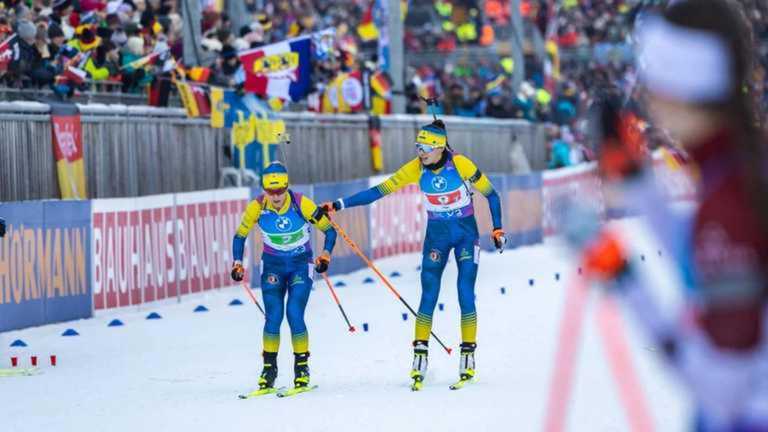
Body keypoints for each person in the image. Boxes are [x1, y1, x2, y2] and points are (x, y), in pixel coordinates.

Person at [578, 0, 768, 429]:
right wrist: (636, 177)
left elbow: (720, 391)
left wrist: (624, 281)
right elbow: (696, 251)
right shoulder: (739, 166)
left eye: (653, 85)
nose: (647, 101)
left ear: (681, 87)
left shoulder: (730, 201)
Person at [321, 119, 505, 390]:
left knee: (465, 292)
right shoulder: (415, 168)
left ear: (439, 147)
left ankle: (468, 356)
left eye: (425, 147)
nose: (420, 152)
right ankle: (419, 358)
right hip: (436, 238)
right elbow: (378, 191)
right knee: (428, 295)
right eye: (417, 146)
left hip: (466, 235)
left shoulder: (461, 164)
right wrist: (338, 204)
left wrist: (498, 228)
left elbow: (492, 195)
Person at [230, 161, 337, 395]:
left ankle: (302, 369)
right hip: (272, 266)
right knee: (273, 317)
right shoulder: (256, 208)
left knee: (294, 313)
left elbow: (330, 230)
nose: (276, 196)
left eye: (280, 190)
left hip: (301, 264)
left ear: (287, 187)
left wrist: (325, 255)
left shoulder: (301, 204)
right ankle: (269, 370)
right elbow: (239, 236)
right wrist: (237, 262)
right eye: (271, 191)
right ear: (264, 189)